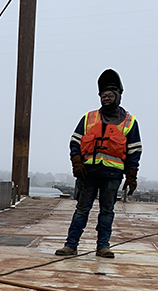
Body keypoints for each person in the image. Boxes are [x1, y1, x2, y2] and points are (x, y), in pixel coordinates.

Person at [56, 69, 142, 259]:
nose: (106, 98)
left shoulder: (130, 122)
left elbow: (134, 151)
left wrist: (132, 176)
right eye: (103, 95)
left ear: (118, 96)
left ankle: (103, 247)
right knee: (81, 210)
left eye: (110, 95)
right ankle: (71, 246)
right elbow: (75, 142)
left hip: (112, 176)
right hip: (89, 173)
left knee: (107, 211)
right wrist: (77, 162)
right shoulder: (88, 118)